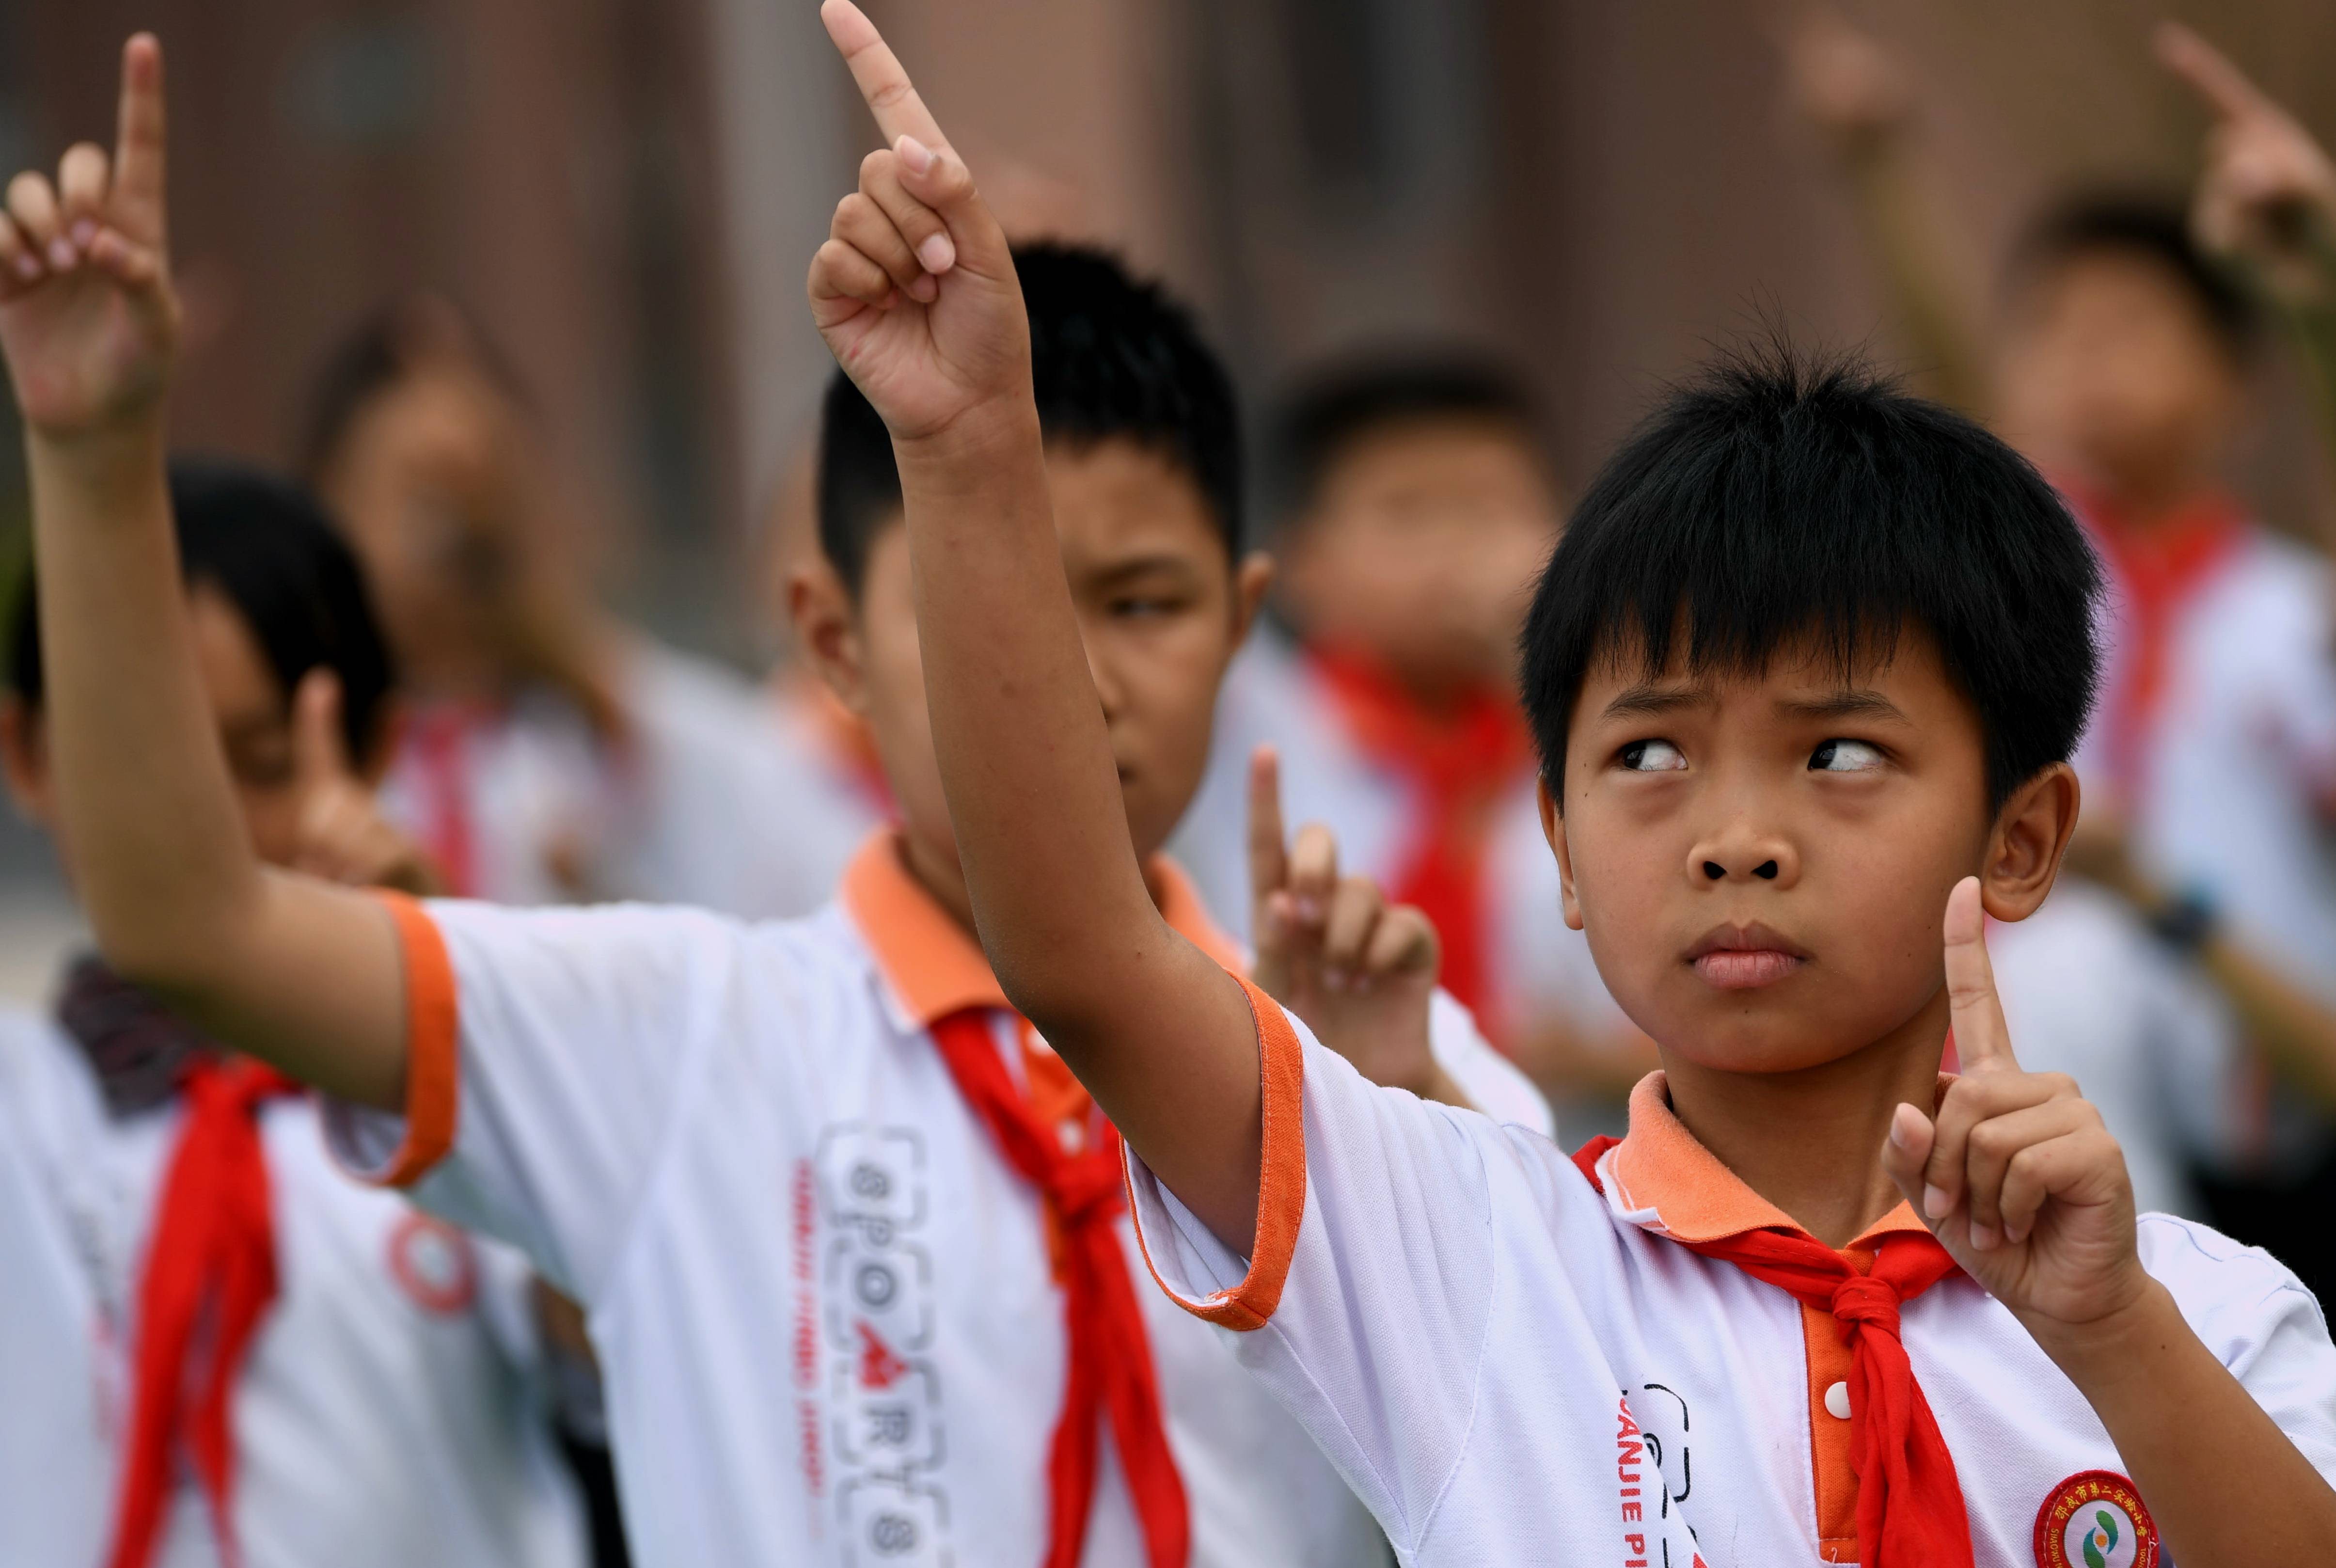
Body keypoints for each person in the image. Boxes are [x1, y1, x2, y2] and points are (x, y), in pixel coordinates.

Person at [800, 8, 2336, 1563]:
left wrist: (2110, 1334)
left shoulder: (2199, 1309)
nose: (1736, 839)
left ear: (2020, 836)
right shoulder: (1465, 1254)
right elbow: (1081, 953)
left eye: (1839, 754)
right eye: (1647, 756)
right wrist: (971, 443)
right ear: (1560, 843)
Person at [0, 41, 1547, 1567]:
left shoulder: (1368, 1054)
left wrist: (1400, 1122)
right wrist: (87, 453)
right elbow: (191, 920)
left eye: (1140, 601)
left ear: (1243, 616)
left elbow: (1556, 1429)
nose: (1062, 679)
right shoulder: (678, 1034)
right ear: (826, 646)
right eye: (980, 600)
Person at [1785, 11, 2336, 1262]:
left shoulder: (2282, 604)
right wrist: (1877, 169)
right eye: (2056, 329)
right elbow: (1947, 383)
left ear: (2233, 383)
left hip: (2263, 1106)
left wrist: (2314, 297)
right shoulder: (2042, 564)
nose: (2085, 362)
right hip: (2055, 1067)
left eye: (2130, 329)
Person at [0, 459, 586, 1568]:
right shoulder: (23, 1105)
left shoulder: (451, 1099)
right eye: (139, 764)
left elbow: (637, 1355)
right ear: (28, 754)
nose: (197, 829)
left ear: (372, 748)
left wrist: (480, 1037)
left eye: (261, 761)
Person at [1169, 352, 1656, 1141]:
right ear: (1302, 564)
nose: (1459, 547)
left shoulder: (1623, 731)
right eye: (1409, 513)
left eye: (1496, 508)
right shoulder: (1243, 713)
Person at [302, 294, 865, 917]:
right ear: (329, 503)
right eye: (417, 495)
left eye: (480, 497)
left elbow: (825, 869)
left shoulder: (636, 730)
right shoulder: (301, 753)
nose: (448, 543)